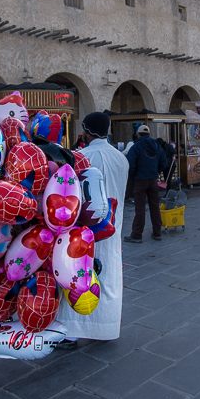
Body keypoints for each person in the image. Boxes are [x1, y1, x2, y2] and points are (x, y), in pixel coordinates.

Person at [56, 111, 128, 349]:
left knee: (77, 275)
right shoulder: (121, 159)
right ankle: (106, 327)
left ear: (86, 131)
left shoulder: (80, 157)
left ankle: (71, 331)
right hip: (113, 227)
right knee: (108, 276)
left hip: (82, 230)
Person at [124, 125, 168, 243]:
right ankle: (157, 232)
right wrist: (156, 172)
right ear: (149, 134)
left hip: (140, 180)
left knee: (140, 208)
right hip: (153, 180)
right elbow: (164, 162)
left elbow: (130, 163)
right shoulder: (157, 146)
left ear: (138, 135)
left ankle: (137, 234)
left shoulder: (136, 146)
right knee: (155, 207)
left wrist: (134, 176)